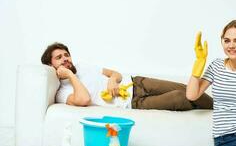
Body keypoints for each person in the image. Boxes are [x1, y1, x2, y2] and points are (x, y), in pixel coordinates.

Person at [40, 42, 213, 111]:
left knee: (181, 87)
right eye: (59, 58)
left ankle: (221, 107)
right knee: (179, 97)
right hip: (133, 102)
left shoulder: (83, 66)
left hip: (136, 83)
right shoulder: (62, 93)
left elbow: (115, 73)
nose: (65, 59)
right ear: (50, 65)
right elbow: (84, 99)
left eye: (66, 55)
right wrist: (70, 75)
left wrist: (111, 80)